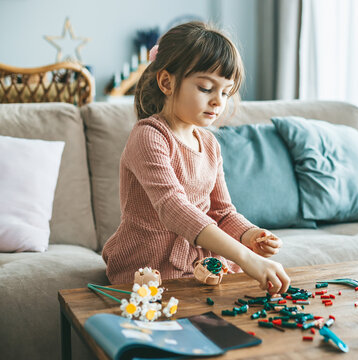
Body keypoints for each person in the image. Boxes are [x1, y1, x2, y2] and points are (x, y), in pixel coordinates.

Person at [102, 22, 290, 294]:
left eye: (225, 92)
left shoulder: (210, 144)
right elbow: (173, 209)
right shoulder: (149, 136)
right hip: (150, 266)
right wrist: (246, 257)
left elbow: (222, 212)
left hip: (201, 263)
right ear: (166, 82)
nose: (218, 101)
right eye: (205, 88)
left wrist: (251, 236)